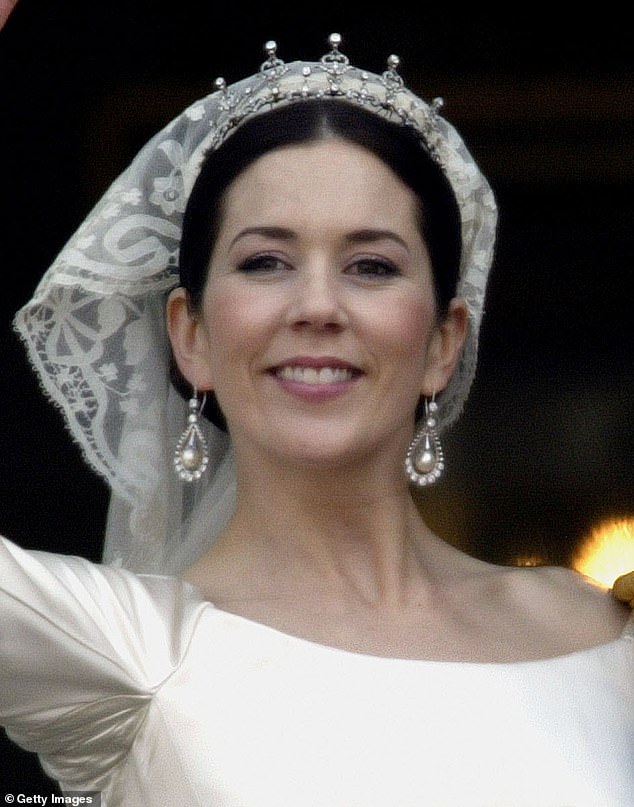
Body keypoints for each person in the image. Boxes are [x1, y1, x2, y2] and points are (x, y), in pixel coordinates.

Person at [1, 33, 632, 806]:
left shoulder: (603, 633)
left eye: (372, 265)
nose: (318, 306)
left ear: (443, 341)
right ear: (190, 335)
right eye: (265, 261)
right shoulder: (121, 649)